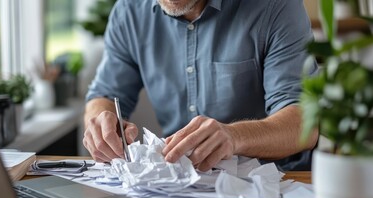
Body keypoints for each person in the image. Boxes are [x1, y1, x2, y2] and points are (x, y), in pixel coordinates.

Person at [83, 0, 319, 171]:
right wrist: (102, 122)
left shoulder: (275, 6)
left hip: (277, 180)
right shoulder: (129, 12)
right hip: (180, 185)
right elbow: (105, 94)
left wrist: (235, 137)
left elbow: (303, 122)